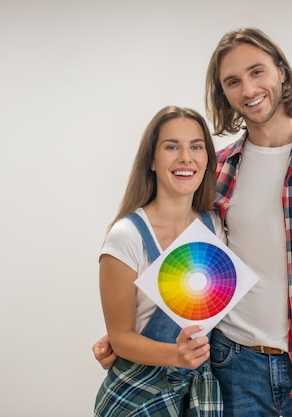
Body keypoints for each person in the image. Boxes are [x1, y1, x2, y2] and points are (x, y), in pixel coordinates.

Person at [95, 28, 292, 417]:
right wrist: (128, 336)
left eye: (257, 72)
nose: (248, 89)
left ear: (281, 72)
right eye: (232, 81)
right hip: (232, 369)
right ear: (224, 94)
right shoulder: (214, 171)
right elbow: (188, 263)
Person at [93, 105, 224, 417]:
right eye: (171, 147)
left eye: (196, 146)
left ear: (207, 159)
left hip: (200, 394)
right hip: (138, 396)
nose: (185, 158)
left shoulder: (216, 226)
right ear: (151, 160)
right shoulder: (127, 236)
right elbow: (121, 338)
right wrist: (177, 355)